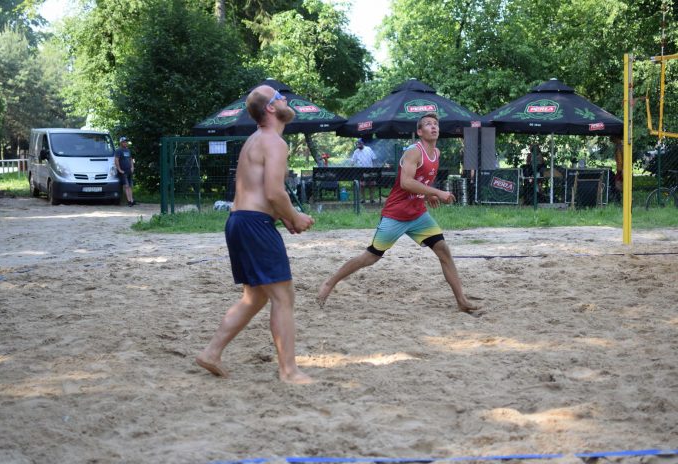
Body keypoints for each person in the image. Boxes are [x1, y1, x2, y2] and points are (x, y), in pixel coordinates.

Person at [196, 85, 316, 384]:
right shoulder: (274, 141)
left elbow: (261, 191)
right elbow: (274, 192)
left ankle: (211, 352)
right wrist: (295, 216)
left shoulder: (255, 140)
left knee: (255, 297)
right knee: (283, 296)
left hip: (240, 221)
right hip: (254, 224)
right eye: (281, 97)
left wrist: (285, 218)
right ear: (271, 108)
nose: (286, 100)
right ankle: (289, 371)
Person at [317, 113, 478, 314]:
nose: (433, 127)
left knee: (443, 250)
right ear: (420, 132)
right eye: (428, 124)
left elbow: (421, 181)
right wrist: (437, 192)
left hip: (418, 214)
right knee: (370, 257)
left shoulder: (436, 152)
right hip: (396, 214)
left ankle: (461, 300)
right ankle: (330, 283)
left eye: (436, 124)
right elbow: (406, 182)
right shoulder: (414, 152)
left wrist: (428, 195)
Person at [351, 139, 378, 203]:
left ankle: (372, 199)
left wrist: (375, 168)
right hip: (361, 171)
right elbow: (353, 161)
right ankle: (363, 199)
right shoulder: (356, 151)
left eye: (359, 144)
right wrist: (351, 165)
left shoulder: (368, 149)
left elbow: (374, 158)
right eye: (357, 144)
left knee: (372, 184)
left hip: (370, 169)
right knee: (362, 184)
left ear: (362, 143)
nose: (358, 145)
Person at [114, 136, 136, 206]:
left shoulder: (128, 150)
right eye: (124, 142)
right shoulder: (118, 151)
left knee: (130, 186)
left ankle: (132, 200)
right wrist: (119, 169)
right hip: (123, 171)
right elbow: (116, 160)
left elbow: (131, 159)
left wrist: (132, 167)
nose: (125, 143)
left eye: (126, 142)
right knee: (126, 186)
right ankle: (129, 201)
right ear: (121, 143)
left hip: (129, 170)